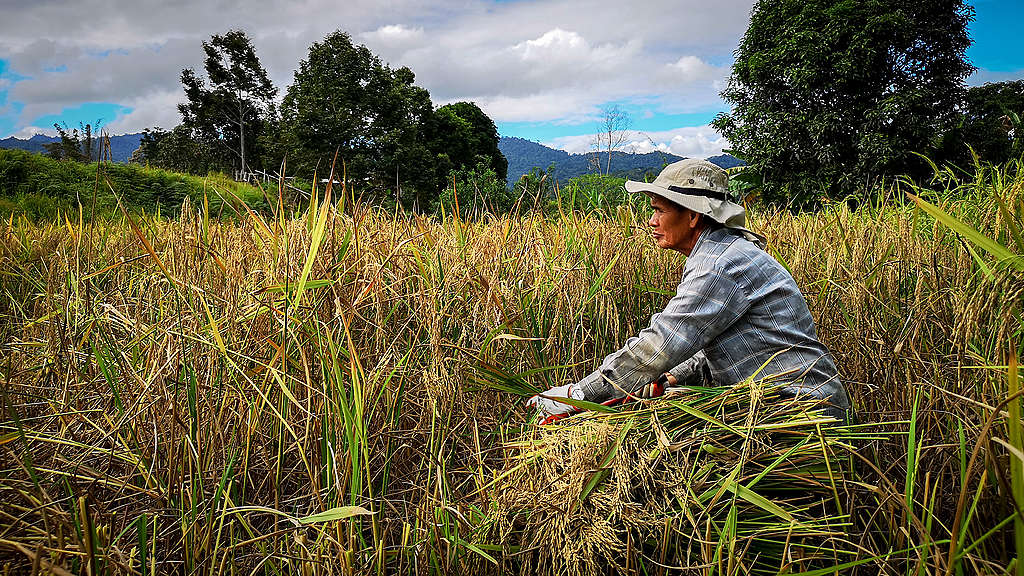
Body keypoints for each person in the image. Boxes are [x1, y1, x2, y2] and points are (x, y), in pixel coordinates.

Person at [527, 159, 850, 421]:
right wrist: (670, 378)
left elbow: (664, 342)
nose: (652, 221)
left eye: (660, 210)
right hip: (781, 404)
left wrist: (581, 395)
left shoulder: (720, 264)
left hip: (801, 410)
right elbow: (722, 344)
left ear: (693, 216)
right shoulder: (721, 253)